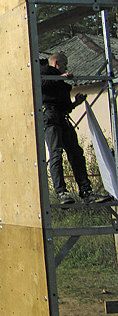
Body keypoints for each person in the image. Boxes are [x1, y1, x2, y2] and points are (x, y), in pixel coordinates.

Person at [41, 52, 111, 204]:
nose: (66, 68)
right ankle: (61, 192)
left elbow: (65, 106)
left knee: (76, 153)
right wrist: (61, 77)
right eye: (65, 64)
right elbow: (40, 86)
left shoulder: (61, 83)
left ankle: (86, 191)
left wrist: (75, 103)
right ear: (56, 63)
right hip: (50, 116)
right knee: (56, 153)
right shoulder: (44, 72)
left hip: (62, 116)